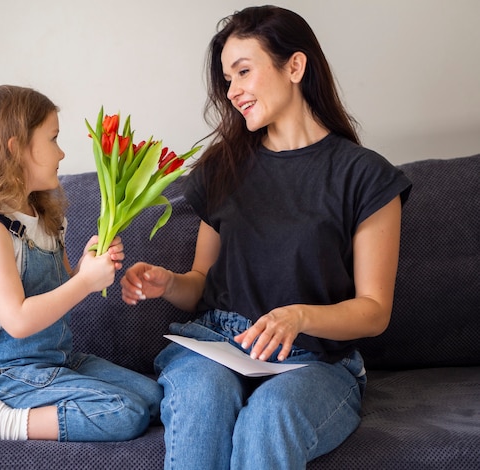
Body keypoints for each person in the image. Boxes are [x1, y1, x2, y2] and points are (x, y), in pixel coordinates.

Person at [121, 5, 412, 469]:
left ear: (294, 66)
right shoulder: (223, 167)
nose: (232, 92)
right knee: (202, 400)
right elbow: (200, 282)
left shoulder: (365, 176)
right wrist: (169, 283)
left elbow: (373, 312)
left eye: (243, 72)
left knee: (270, 417)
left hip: (314, 359)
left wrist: (297, 317)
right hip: (217, 344)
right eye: (227, 79)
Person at [0, 85, 162, 455]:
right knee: (126, 413)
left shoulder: (46, 218)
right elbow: (17, 320)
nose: (62, 152)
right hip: (5, 373)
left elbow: (59, 291)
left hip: (55, 359)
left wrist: (86, 265)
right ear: (16, 148)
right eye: (53, 139)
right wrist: (85, 282)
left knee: (153, 397)